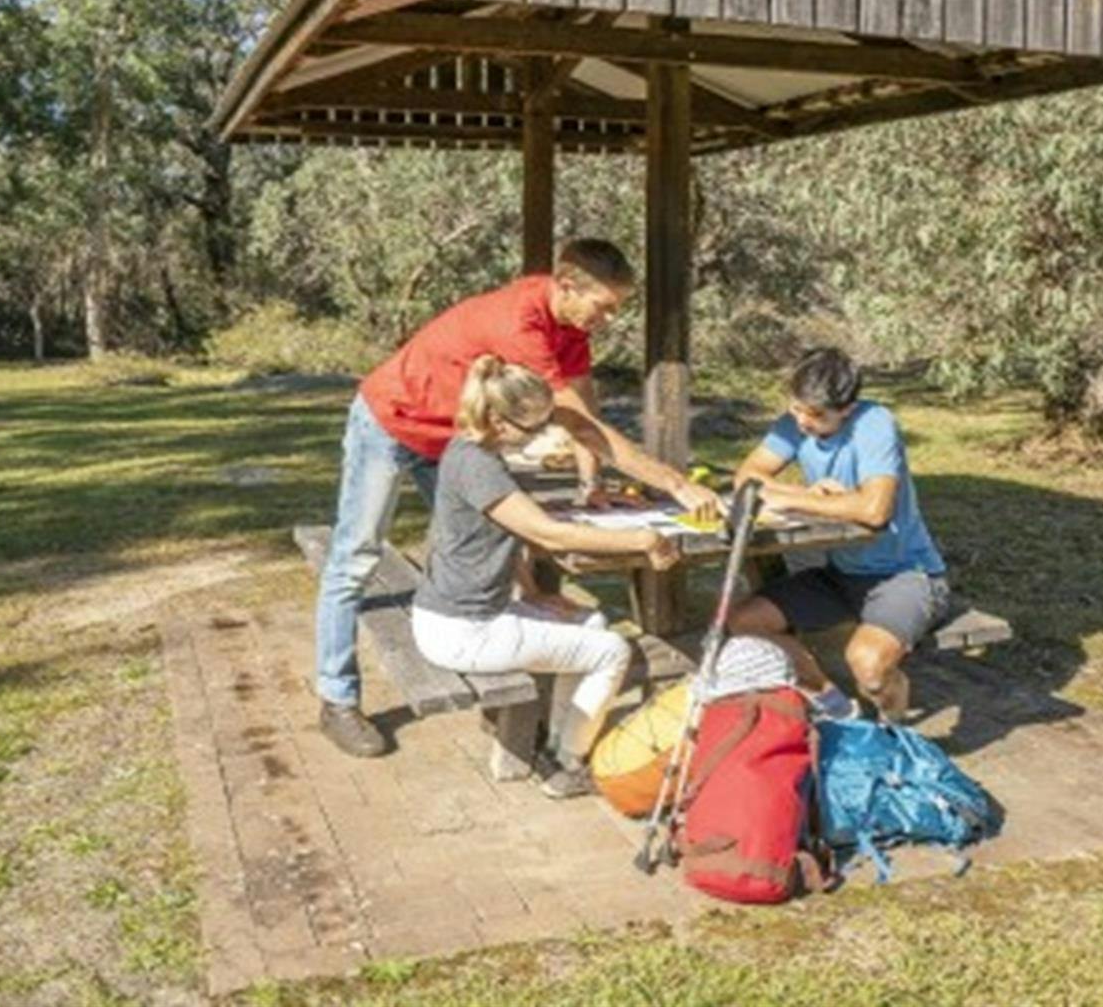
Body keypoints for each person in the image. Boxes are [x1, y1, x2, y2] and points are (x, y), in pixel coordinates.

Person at [314, 237, 718, 758]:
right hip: (391, 422)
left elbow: (583, 406)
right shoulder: (519, 323)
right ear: (568, 285)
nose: (610, 319)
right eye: (606, 306)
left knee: (490, 537)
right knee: (356, 557)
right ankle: (337, 699)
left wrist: (589, 483)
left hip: (455, 438)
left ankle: (508, 673)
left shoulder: (571, 325)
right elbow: (580, 423)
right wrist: (677, 484)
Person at [410, 356, 679, 798]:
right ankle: (567, 767)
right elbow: (545, 534)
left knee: (589, 623)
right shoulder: (478, 464)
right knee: (611, 651)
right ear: (497, 418)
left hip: (463, 614)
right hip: (462, 629)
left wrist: (533, 593)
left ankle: (559, 742)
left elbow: (506, 533)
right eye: (530, 428)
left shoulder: (475, 450)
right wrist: (643, 539)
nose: (537, 437)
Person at [725, 347, 949, 723]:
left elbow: (875, 511)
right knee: (744, 622)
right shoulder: (793, 422)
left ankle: (894, 727)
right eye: (795, 408)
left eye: (815, 415)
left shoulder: (874, 423)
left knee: (870, 669)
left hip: (905, 575)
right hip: (840, 573)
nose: (801, 422)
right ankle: (831, 702)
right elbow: (746, 479)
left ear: (847, 408)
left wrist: (795, 499)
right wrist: (806, 495)